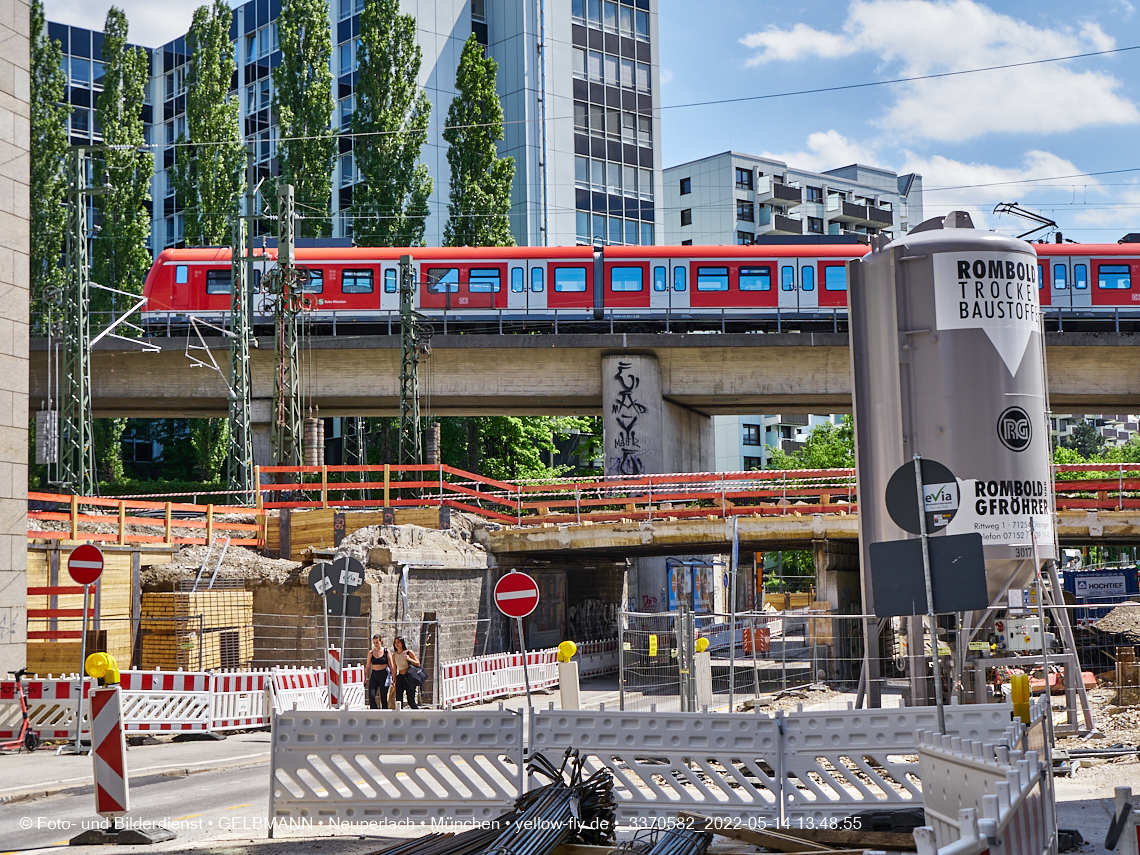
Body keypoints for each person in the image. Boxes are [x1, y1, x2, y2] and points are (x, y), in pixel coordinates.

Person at [391, 636, 420, 709]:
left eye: (398, 642)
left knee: (410, 700)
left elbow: (418, 663)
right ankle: (400, 717)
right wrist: (394, 681)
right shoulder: (394, 656)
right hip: (400, 677)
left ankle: (418, 714)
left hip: (409, 677)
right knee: (398, 700)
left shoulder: (408, 652)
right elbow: (394, 669)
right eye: (395, 643)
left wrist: (409, 659)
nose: (396, 644)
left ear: (402, 643)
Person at [365, 634, 389, 710]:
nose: (375, 644)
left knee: (383, 697)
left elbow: (391, 665)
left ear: (381, 642)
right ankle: (375, 712)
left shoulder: (386, 651)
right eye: (374, 642)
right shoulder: (371, 653)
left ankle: (385, 715)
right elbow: (368, 666)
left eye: (377, 642)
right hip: (374, 675)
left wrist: (394, 677)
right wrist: (365, 678)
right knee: (371, 696)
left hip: (384, 675)